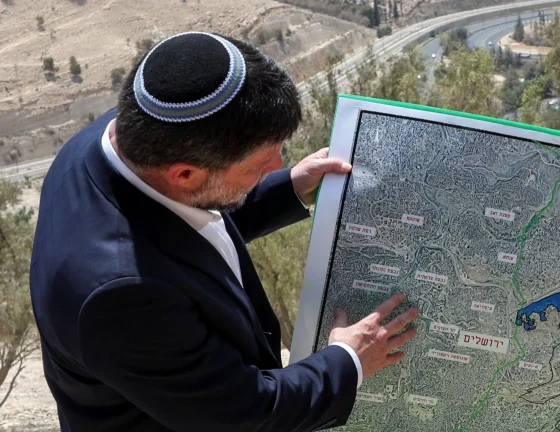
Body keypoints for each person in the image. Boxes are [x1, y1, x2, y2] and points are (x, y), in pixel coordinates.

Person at [29, 31, 419, 432]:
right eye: (258, 165)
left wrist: (289, 187)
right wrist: (349, 358)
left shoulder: (128, 135)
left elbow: (185, 223)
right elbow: (245, 414)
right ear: (184, 173)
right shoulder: (118, 297)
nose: (276, 164)